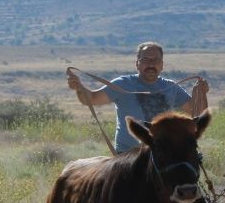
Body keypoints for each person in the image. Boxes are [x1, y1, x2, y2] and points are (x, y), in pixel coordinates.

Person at [66, 42, 209, 153]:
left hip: (162, 156)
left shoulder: (171, 87)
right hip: (127, 157)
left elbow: (196, 112)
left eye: (155, 60)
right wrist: (79, 88)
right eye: (145, 59)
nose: (151, 64)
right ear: (137, 64)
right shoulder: (122, 84)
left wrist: (201, 94)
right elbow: (92, 98)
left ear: (162, 65)